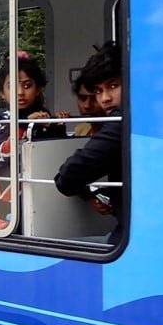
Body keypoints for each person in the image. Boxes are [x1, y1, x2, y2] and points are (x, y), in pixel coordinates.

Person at [0, 52, 62, 226]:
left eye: (27, 85)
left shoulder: (44, 116)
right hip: (7, 192)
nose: (20, 92)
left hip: (41, 191)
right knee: (10, 236)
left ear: (38, 90)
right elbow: (4, 150)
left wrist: (58, 127)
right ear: (2, 93)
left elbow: (54, 156)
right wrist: (28, 126)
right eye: (12, 86)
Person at [54, 42, 123, 226]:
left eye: (113, 86)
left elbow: (66, 178)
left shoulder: (120, 124)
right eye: (99, 91)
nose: (105, 98)